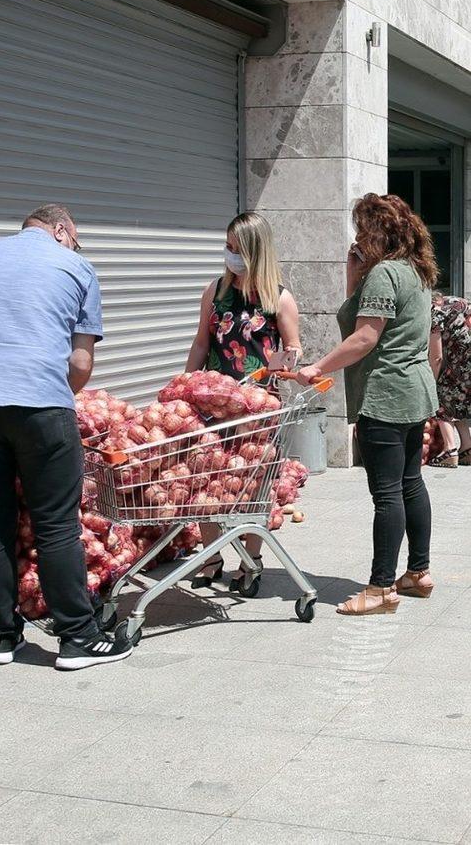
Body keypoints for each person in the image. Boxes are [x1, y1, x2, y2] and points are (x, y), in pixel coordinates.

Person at [0, 204, 132, 670]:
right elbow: (80, 364)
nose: (75, 247)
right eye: (74, 239)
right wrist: (54, 395)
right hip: (40, 405)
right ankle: (78, 637)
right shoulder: (77, 267)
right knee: (55, 524)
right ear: (61, 231)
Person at [298, 193, 439, 615]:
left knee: (387, 495)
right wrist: (353, 272)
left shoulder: (384, 276)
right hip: (415, 391)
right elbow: (358, 316)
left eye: (362, 229)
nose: (357, 237)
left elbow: (363, 337)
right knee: (411, 483)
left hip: (386, 395)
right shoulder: (416, 273)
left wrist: (317, 367)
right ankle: (417, 572)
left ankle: (379, 590)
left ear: (376, 233)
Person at [184, 212, 301, 590]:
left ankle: (252, 560)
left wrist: (287, 363)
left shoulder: (278, 299)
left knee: (254, 484)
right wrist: (186, 385)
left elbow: (293, 347)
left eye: (237, 248)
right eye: (227, 247)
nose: (229, 254)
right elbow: (202, 342)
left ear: (255, 250)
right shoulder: (215, 291)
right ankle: (211, 556)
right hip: (214, 404)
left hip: (259, 407)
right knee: (206, 479)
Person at [427, 293, 471, 468]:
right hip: (467, 361)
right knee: (457, 402)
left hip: (459, 362)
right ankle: (467, 448)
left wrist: (432, 380)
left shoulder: (434, 313)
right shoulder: (458, 302)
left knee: (440, 397)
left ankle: (450, 450)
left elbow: (436, 357)